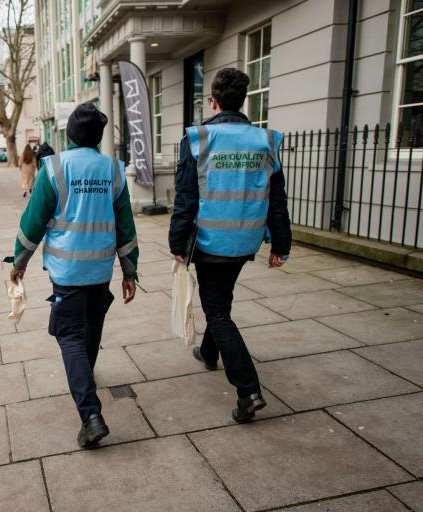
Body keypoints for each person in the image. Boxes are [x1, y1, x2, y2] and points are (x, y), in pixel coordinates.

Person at [8, 102, 138, 448]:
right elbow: (126, 226)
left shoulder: (54, 168)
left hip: (67, 272)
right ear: (98, 136)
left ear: (69, 135)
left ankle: (90, 414)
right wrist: (130, 270)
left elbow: (33, 221)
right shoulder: (113, 170)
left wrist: (18, 262)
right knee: (92, 327)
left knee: (69, 336)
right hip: (99, 269)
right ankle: (86, 378)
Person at [168, 68, 291, 423]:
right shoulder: (266, 140)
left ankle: (248, 390)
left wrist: (177, 242)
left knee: (218, 311)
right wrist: (280, 244)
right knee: (219, 299)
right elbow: (277, 199)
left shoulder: (198, 138)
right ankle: (208, 353)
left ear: (214, 101)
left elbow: (186, 197)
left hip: (209, 242)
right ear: (242, 100)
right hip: (246, 240)